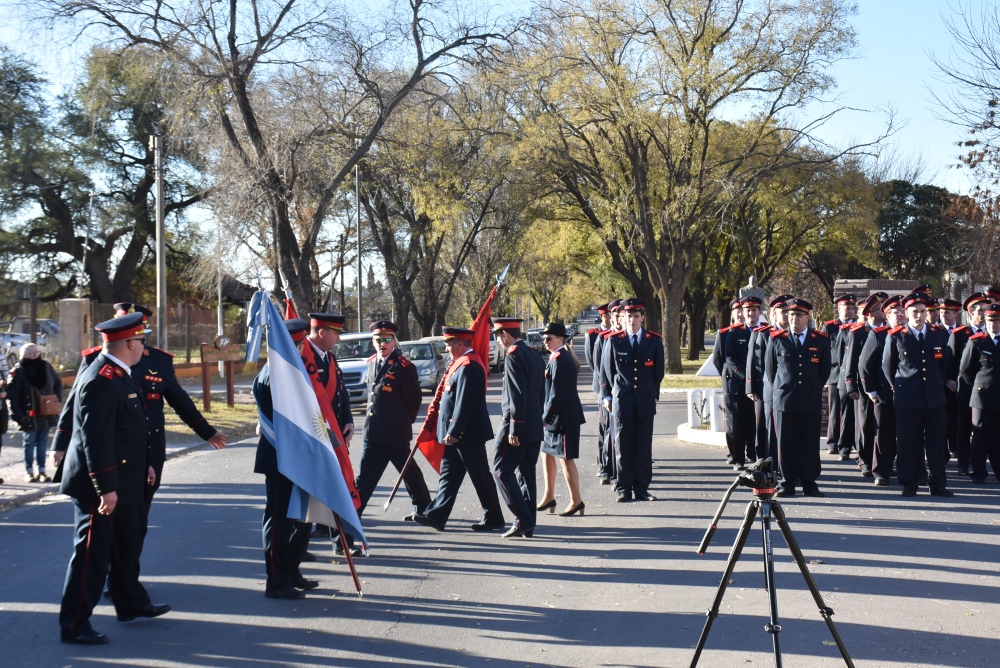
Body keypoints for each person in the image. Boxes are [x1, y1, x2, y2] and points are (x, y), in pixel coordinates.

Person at [53, 303, 227, 553]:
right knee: (104, 526)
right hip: (110, 449)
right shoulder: (95, 359)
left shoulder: (158, 360)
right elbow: (75, 406)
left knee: (135, 521)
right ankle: (117, 582)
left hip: (147, 450)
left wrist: (207, 432)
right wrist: (61, 442)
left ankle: (124, 581)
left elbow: (179, 399)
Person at [58, 312, 169, 645]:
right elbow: (96, 439)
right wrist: (105, 488)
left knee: (126, 544)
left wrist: (145, 464)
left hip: (123, 477)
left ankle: (130, 602)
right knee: (92, 554)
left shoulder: (121, 374)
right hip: (100, 485)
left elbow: (129, 431)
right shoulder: (101, 380)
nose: (143, 346)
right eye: (141, 341)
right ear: (130, 343)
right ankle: (75, 624)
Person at [413, 327, 506, 532]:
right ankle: (437, 515)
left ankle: (494, 517)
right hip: (456, 434)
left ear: (460, 344)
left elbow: (465, 403)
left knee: (480, 475)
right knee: (449, 475)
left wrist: (454, 431)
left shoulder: (469, 365)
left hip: (466, 434)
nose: (446, 348)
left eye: (449, 343)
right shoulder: (460, 363)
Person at [252, 319, 318, 599]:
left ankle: (290, 570)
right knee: (279, 521)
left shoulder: (284, 371)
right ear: (299, 345)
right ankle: (277, 581)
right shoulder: (278, 375)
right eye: (301, 345)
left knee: (301, 520)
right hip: (281, 459)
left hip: (293, 458)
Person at [353, 320, 431, 517]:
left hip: (394, 432)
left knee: (408, 472)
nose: (382, 343)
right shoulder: (371, 363)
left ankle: (423, 507)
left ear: (394, 341)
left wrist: (404, 422)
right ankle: (353, 513)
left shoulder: (403, 366)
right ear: (372, 342)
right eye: (378, 340)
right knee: (365, 477)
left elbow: (414, 400)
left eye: (387, 339)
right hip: (373, 432)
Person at [882, 293, 956, 497]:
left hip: (934, 398)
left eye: (923, 311)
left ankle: (938, 484)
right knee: (908, 442)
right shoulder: (896, 335)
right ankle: (909, 483)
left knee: (937, 442)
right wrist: (900, 387)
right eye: (915, 311)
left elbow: (944, 363)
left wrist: (934, 382)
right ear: (906, 313)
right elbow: (888, 366)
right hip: (907, 398)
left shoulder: (938, 334)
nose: (919, 315)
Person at [765, 298, 831, 498]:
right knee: (786, 443)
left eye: (799, 315)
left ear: (807, 317)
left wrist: (814, 387)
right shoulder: (777, 338)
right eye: (791, 314)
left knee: (809, 441)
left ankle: (809, 482)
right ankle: (787, 482)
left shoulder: (819, 339)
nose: (794, 318)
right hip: (785, 398)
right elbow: (771, 370)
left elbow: (824, 369)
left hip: (809, 397)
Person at [600, 298, 665, 502]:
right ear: (622, 317)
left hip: (644, 401)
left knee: (644, 447)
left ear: (642, 317)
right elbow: (606, 371)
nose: (632, 320)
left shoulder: (653, 340)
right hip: (622, 400)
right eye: (628, 316)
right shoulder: (614, 340)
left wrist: (651, 393)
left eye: (636, 316)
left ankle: (642, 488)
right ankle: (623, 488)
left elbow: (658, 372)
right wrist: (609, 395)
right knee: (623, 447)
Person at [491, 317, 545, 538]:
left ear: (504, 334)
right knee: (525, 473)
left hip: (518, 426)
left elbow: (517, 395)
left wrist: (515, 428)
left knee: (501, 471)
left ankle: (523, 518)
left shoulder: (514, 355)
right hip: (533, 425)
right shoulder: (533, 353)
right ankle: (528, 523)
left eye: (497, 336)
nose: (497, 342)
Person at [537, 322, 586, 517]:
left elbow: (557, 394)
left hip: (564, 419)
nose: (545, 341)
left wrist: (546, 417)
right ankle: (549, 495)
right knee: (546, 454)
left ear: (561, 339)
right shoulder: (555, 357)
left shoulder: (561, 359)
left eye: (549, 338)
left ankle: (576, 501)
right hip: (557, 419)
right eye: (543, 338)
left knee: (566, 459)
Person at [860, 295, 904, 486]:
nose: (901, 316)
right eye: (896, 312)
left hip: (909, 395)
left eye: (903, 312)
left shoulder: (911, 334)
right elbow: (865, 365)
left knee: (907, 435)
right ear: (887, 315)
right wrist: (871, 390)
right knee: (884, 434)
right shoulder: (878, 335)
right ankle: (881, 472)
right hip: (885, 394)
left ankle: (908, 471)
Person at [842, 292, 888, 477]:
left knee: (883, 426)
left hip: (884, 387)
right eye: (880, 309)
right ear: (871, 313)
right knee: (865, 425)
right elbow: (851, 360)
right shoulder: (859, 332)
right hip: (864, 386)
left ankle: (882, 460)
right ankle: (865, 460)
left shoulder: (888, 331)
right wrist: (851, 384)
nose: (884, 311)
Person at [948, 292, 990, 477]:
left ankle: (980, 462)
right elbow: (950, 362)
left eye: (986, 310)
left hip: (987, 390)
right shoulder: (959, 335)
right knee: (963, 426)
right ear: (971, 313)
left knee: (984, 428)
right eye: (980, 310)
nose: (983, 313)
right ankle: (963, 463)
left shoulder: (991, 334)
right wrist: (950, 380)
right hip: (965, 387)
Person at [7, 343, 62, 483]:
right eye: (30, 352)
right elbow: (12, 396)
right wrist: (17, 415)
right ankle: (29, 472)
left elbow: (57, 382)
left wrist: (56, 399)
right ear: (23, 354)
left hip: (46, 412)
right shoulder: (18, 371)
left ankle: (42, 471)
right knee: (29, 442)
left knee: (42, 442)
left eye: (36, 352)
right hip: (27, 414)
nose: (34, 354)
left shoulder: (46, 367)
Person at [746, 295, 791, 462]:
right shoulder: (764, 334)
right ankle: (767, 463)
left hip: (791, 391)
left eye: (789, 311)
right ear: (774, 313)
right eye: (783, 311)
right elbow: (754, 362)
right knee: (767, 429)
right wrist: (751, 387)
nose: (787, 315)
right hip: (767, 389)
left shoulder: (795, 334)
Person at [959, 304, 1000, 484]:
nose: (993, 325)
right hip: (982, 398)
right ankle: (978, 472)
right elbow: (966, 370)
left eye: (997, 321)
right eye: (990, 321)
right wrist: (979, 387)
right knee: (980, 436)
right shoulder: (977, 341)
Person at [824, 294, 858, 460]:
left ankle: (847, 442)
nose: (850, 311)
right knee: (834, 410)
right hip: (834, 374)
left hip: (850, 375)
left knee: (849, 412)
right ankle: (833, 442)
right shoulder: (830, 328)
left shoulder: (858, 327)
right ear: (839, 309)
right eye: (847, 308)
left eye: (852, 308)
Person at [584, 303, 614, 485]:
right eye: (608, 316)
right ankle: (602, 462)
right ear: (602, 317)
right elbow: (592, 361)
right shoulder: (593, 335)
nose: (611, 319)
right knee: (604, 426)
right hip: (601, 385)